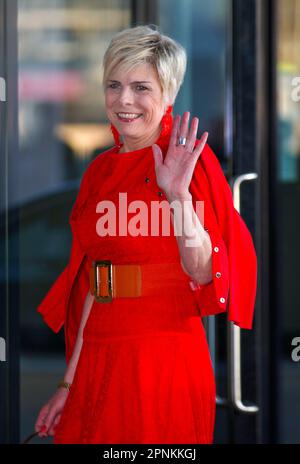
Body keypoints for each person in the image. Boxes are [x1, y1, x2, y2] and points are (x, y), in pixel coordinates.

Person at [34, 25, 257, 444]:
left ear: (168, 95)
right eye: (113, 85)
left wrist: (176, 197)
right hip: (98, 359)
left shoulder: (190, 159)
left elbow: (205, 272)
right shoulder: (99, 172)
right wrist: (67, 385)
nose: (124, 100)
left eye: (141, 87)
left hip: (163, 364)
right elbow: (93, 286)